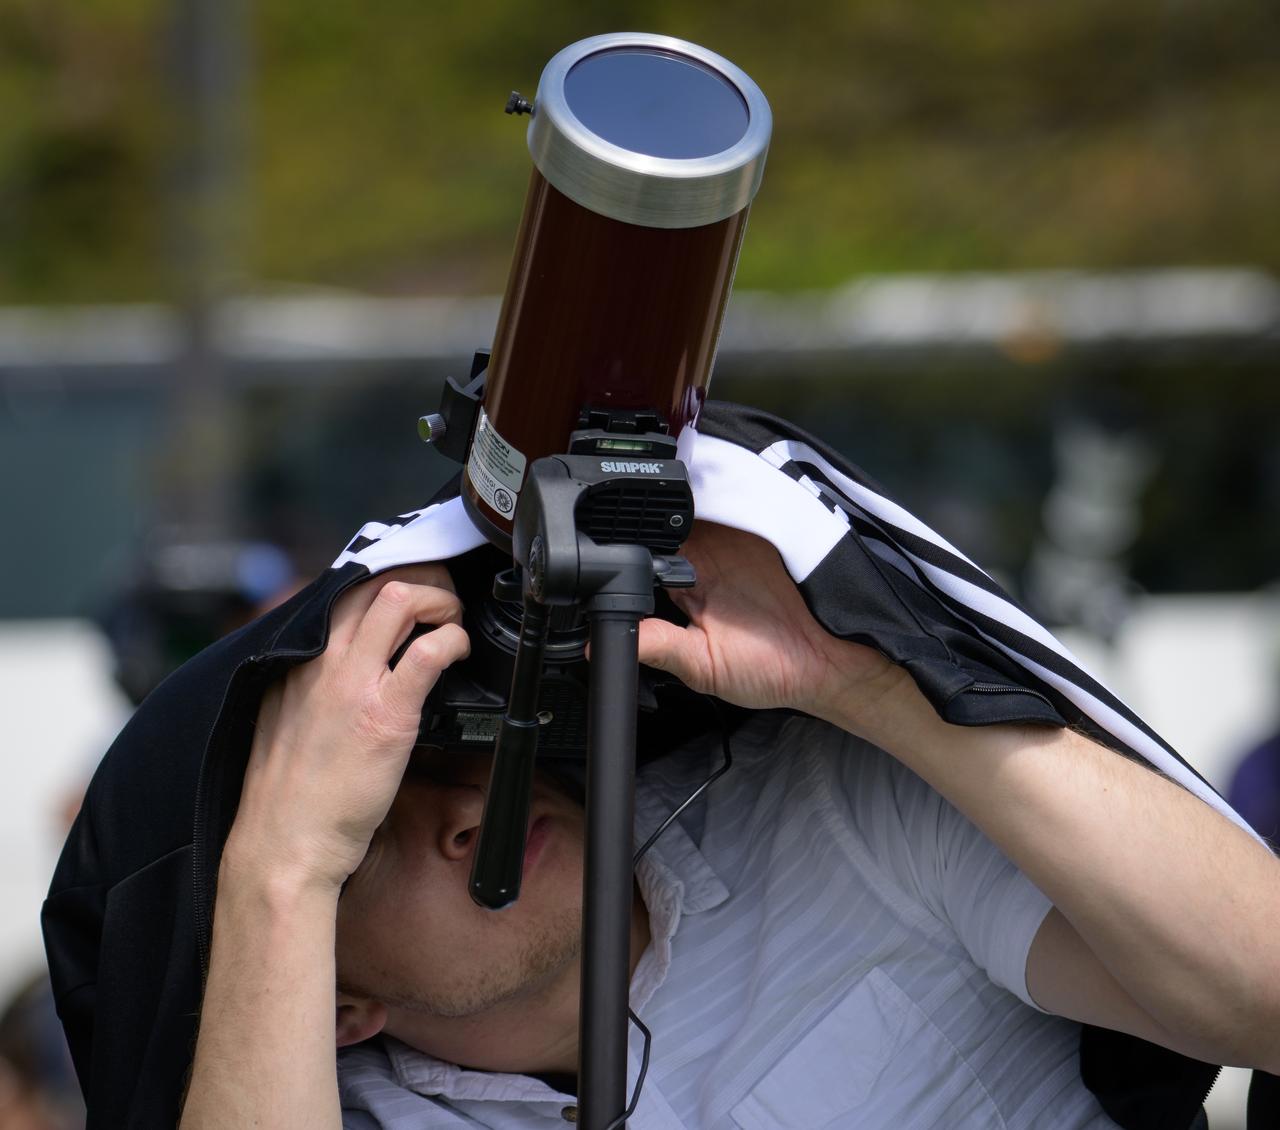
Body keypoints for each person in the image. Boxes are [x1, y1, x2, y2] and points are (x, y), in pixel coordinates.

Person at [42, 404, 1280, 1129]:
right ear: (338, 996)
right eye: (361, 832)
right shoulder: (323, 1089)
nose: (462, 812)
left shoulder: (839, 806)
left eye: (456, 739)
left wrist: (873, 689)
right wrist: (277, 867)